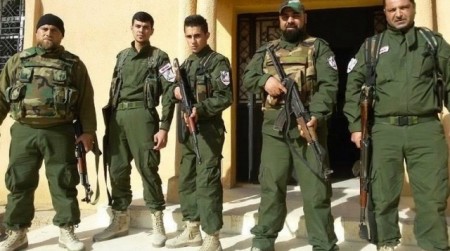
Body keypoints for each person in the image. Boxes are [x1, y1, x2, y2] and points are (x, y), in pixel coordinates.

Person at [344, 0, 450, 250]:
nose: (398, 13)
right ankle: (386, 243)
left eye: (404, 7)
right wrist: (356, 126)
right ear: (385, 13)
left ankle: (434, 246)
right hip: (383, 130)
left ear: (413, 8)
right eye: (392, 10)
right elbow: (353, 87)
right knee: (382, 194)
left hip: (425, 129)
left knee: (432, 196)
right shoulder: (371, 46)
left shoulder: (433, 43)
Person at [243, 0, 339, 250]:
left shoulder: (319, 47)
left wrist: (316, 115)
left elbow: (328, 87)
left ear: (304, 18)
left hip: (308, 127)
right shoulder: (267, 50)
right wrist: (266, 81)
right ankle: (263, 241)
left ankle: (324, 244)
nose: (290, 21)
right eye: (285, 17)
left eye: (295, 16)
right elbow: (247, 78)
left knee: (316, 190)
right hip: (275, 130)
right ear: (279, 20)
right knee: (271, 187)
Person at [0, 13, 96, 251]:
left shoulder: (73, 64)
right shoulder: (17, 60)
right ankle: (18, 232)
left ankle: (66, 232)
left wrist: (87, 132)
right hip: (25, 131)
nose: (48, 33)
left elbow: (86, 100)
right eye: (44, 29)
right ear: (36, 33)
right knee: (19, 182)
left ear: (61, 34)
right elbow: (2, 95)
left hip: (60, 131)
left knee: (63, 181)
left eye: (54, 30)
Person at [92, 11, 175, 248]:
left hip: (144, 114)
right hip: (118, 116)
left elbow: (169, 92)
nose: (141, 30)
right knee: (116, 167)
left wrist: (164, 126)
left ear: (151, 30)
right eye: (138, 26)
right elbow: (113, 89)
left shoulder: (159, 57)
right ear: (132, 28)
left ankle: (158, 220)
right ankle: (119, 219)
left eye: (146, 27)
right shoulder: (122, 56)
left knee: (148, 167)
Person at [165, 14, 232, 251]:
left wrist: (199, 109)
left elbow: (225, 97)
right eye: (189, 36)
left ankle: (212, 235)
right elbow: (172, 88)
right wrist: (175, 91)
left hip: (208, 131)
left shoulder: (218, 62)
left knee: (207, 182)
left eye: (197, 36)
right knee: (187, 179)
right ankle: (192, 227)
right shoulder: (186, 64)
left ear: (207, 35)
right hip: (187, 130)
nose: (193, 41)